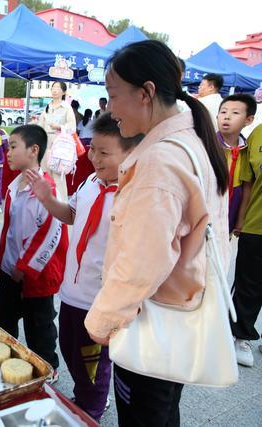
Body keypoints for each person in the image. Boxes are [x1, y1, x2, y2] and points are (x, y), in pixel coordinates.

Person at [83, 40, 229, 426]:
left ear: (146, 92)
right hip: (176, 315)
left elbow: (141, 262)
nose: (110, 108)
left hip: (151, 320)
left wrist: (100, 322)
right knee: (163, 412)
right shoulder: (194, 140)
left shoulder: (160, 159)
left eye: (114, 95)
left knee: (145, 415)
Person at [27, 113, 142, 421]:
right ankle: (85, 393)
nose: (93, 157)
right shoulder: (91, 182)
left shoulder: (133, 195)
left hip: (101, 300)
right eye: (92, 149)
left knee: (94, 362)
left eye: (104, 153)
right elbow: (71, 214)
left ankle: (90, 408)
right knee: (70, 348)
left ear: (130, 154)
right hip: (72, 291)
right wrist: (48, 198)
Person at [0, 124, 68, 382]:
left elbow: (50, 232)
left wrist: (24, 267)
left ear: (34, 150)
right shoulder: (15, 185)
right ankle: (10, 364)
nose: (8, 153)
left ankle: (48, 371)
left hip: (35, 276)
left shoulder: (46, 189)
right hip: (10, 270)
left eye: (13, 147)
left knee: (40, 328)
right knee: (4, 320)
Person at [230, 122, 262, 367]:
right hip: (256, 224)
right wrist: (239, 221)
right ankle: (241, 335)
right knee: (249, 284)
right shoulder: (257, 133)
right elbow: (247, 183)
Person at [216, 94, 257, 233]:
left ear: (249, 120)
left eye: (235, 113)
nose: (227, 117)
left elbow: (247, 186)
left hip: (231, 208)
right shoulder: (207, 144)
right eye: (223, 112)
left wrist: (240, 221)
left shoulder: (246, 149)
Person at [39, 81, 76, 201]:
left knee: (58, 175)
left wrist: (59, 127)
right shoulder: (47, 107)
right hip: (46, 142)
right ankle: (46, 202)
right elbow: (40, 125)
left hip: (59, 144)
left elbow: (72, 127)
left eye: (58, 88)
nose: (54, 90)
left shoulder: (67, 108)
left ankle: (61, 203)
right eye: (53, 87)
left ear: (63, 92)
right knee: (45, 172)